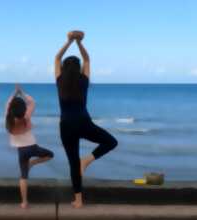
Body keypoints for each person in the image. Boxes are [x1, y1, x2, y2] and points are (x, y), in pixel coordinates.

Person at [55, 31, 118, 208]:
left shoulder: (59, 81)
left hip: (66, 126)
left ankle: (78, 200)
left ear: (64, 68)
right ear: (79, 68)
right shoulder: (84, 80)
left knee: (72, 163)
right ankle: (87, 160)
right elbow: (87, 60)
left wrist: (68, 41)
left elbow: (56, 58)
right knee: (111, 142)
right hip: (84, 123)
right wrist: (79, 43)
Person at [5, 84, 54, 209]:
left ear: (11, 109)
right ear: (23, 108)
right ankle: (33, 163)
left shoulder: (8, 118)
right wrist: (22, 92)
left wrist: (14, 93)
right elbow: (32, 102)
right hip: (33, 147)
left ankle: (24, 202)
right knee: (50, 155)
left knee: (23, 176)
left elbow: (8, 103)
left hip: (21, 151)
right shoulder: (26, 116)